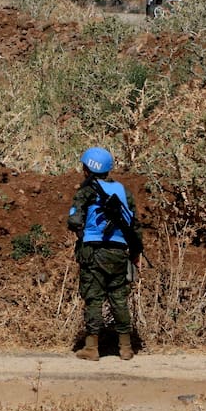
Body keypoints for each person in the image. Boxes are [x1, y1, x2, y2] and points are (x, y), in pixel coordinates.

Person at [68, 146, 143, 361]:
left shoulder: (86, 191)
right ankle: (126, 347)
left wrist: (81, 231)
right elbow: (134, 226)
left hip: (92, 251)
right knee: (119, 299)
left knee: (94, 298)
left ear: (87, 168)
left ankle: (92, 348)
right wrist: (135, 253)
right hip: (119, 252)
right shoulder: (123, 191)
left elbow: (73, 220)